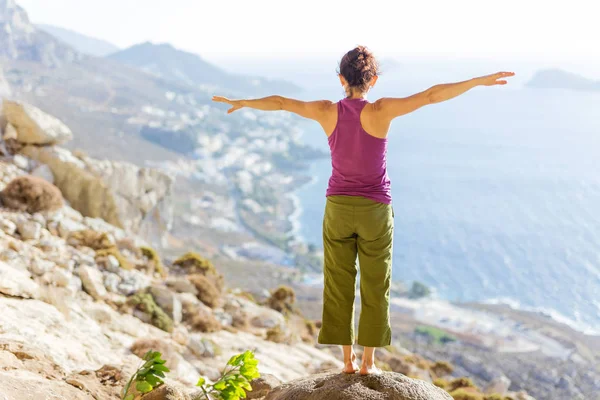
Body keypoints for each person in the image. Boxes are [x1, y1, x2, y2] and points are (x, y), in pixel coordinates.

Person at [212, 46, 514, 375]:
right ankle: (369, 362)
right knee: (375, 283)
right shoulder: (381, 110)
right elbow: (430, 95)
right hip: (375, 211)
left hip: (338, 208)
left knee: (339, 283)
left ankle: (347, 361)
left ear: (341, 79)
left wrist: (243, 103)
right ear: (374, 80)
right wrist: (476, 81)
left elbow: (281, 102)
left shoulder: (325, 111)